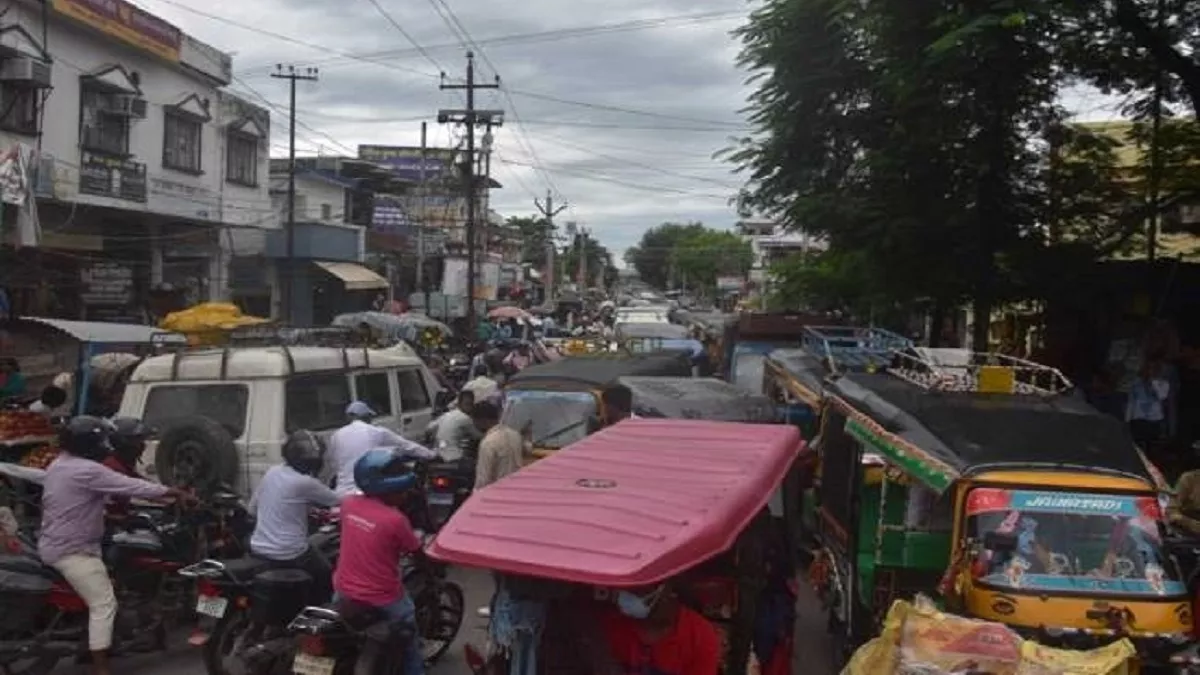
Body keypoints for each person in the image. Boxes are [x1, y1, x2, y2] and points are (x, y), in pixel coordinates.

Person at [39, 416, 193, 675]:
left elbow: (135, 486)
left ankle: (118, 635)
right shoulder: (89, 469)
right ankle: (102, 669)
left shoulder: (61, 463)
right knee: (104, 604)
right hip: (74, 550)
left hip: (59, 541)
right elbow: (132, 486)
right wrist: (175, 493)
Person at [333, 449, 426, 675]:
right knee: (410, 640)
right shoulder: (395, 520)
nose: (405, 494)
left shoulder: (348, 504)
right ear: (388, 489)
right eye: (401, 489)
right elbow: (417, 554)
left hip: (342, 591)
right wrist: (430, 566)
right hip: (383, 598)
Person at [249, 430, 341, 602]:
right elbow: (339, 500)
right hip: (289, 552)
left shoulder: (273, 471)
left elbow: (252, 509)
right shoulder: (305, 483)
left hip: (258, 548)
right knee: (325, 572)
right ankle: (318, 618)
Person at [600, 581, 721, 675]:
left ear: (665, 589)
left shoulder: (699, 636)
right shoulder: (611, 623)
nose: (624, 596)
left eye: (636, 590)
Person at [328, 401, 437, 497]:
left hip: (342, 493)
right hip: (366, 491)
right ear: (367, 417)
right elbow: (407, 446)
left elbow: (333, 463)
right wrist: (432, 454)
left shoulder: (336, 435)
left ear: (349, 417)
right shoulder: (376, 432)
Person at [102, 418, 155, 522]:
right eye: (138, 440)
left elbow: (138, 481)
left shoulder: (122, 463)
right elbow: (136, 487)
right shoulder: (112, 466)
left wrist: (172, 492)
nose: (142, 445)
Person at [473, 401, 525, 491]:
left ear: (482, 420)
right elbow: (528, 448)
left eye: (474, 421)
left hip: (497, 493)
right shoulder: (515, 435)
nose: (474, 425)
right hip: (516, 490)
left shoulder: (488, 443)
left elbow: (483, 480)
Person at [430, 390, 483, 464]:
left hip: (438, 454)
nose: (470, 408)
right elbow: (478, 437)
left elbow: (429, 428)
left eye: (471, 404)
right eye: (467, 404)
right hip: (454, 457)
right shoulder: (465, 418)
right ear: (459, 404)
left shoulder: (446, 415)